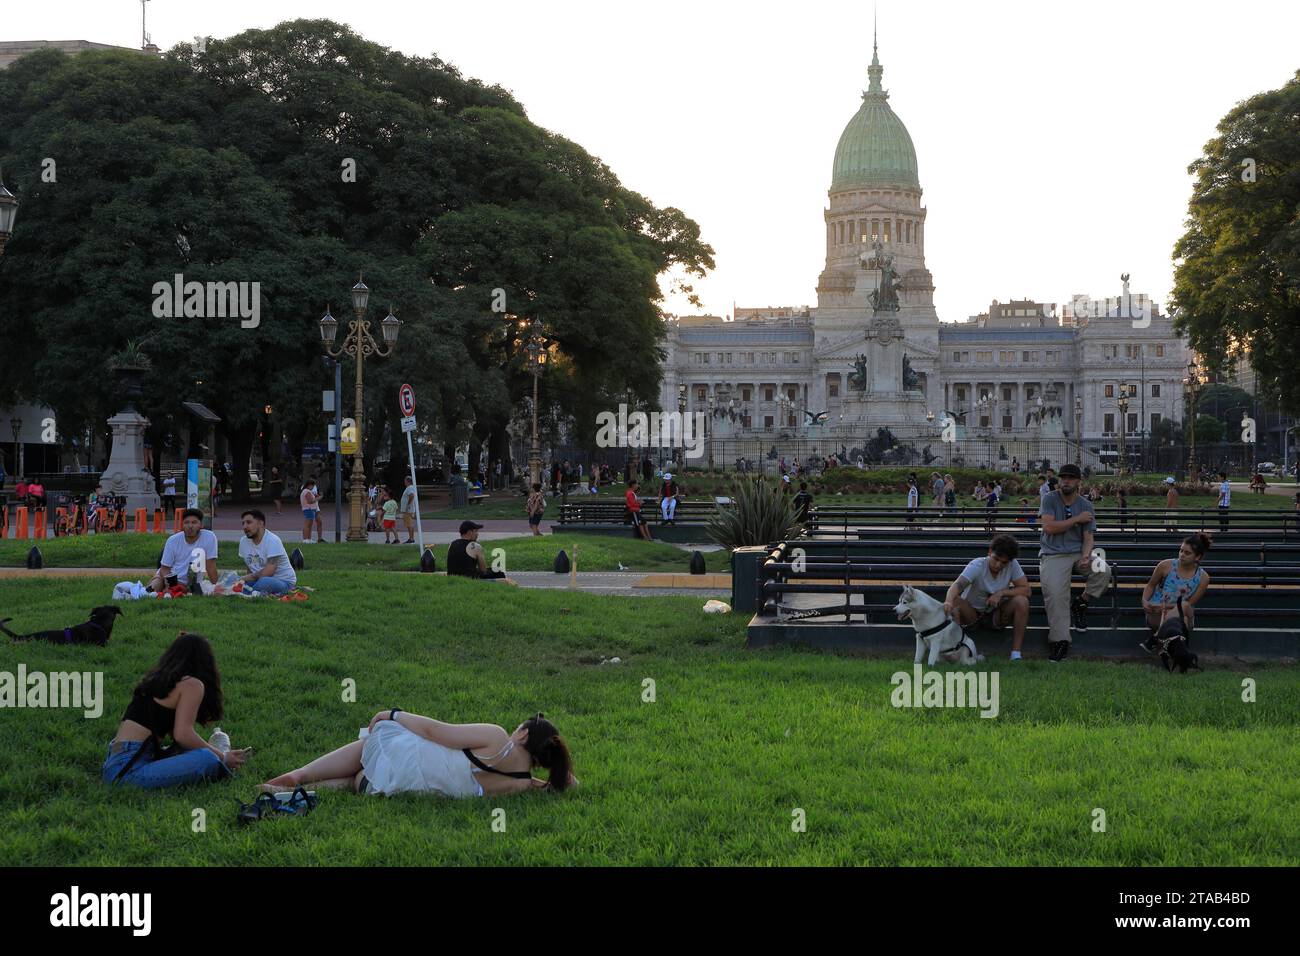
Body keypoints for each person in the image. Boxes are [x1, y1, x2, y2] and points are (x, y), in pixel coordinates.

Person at [261, 710, 575, 798]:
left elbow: (436, 731)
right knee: (352, 779)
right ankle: (293, 792)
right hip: (385, 786)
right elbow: (565, 784)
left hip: (398, 758)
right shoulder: (522, 784)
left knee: (376, 744)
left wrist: (394, 715)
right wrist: (562, 776)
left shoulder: (496, 737)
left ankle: (297, 777)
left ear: (522, 734)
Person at [103, 632, 250, 789]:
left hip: (117, 762)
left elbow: (178, 739)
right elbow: (183, 735)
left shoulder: (159, 679)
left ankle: (219, 758)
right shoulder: (192, 684)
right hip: (128, 772)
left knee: (193, 750)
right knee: (206, 757)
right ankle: (223, 763)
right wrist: (222, 756)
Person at [1038, 463, 1111, 662]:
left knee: (1103, 569)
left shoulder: (1086, 505)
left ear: (1079, 481)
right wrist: (1076, 519)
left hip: (1079, 552)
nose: (1065, 481)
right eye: (1063, 478)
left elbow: (1089, 537)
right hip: (1053, 554)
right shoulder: (1050, 499)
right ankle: (1060, 641)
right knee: (1055, 593)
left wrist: (1087, 556)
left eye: (1070, 478)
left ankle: (1081, 602)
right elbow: (1049, 527)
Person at [942, 534, 1032, 660]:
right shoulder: (977, 565)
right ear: (990, 552)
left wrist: (1001, 593)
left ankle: (1016, 654)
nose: (998, 565)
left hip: (996, 614)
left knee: (1022, 601)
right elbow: (957, 585)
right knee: (955, 601)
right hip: (971, 615)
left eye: (1004, 562)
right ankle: (955, 649)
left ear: (1010, 561)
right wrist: (948, 601)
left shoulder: (1013, 565)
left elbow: (1026, 590)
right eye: (996, 559)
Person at [1140, 533, 1212, 651]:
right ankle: (1178, 654)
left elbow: (1190, 603)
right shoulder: (1165, 565)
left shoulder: (1203, 577)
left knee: (1183, 606)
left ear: (1198, 557)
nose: (1182, 555)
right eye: (1181, 550)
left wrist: (1164, 606)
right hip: (1157, 613)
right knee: (1180, 623)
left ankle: (1156, 638)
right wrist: (1144, 601)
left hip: (1179, 610)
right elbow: (1150, 585)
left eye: (1187, 553)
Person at [148, 508, 218, 592]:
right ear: (182, 525)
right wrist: (171, 586)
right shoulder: (173, 540)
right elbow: (164, 569)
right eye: (186, 522)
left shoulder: (209, 537)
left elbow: (210, 566)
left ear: (201, 525)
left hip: (192, 583)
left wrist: (216, 587)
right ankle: (139, 591)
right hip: (169, 578)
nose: (190, 526)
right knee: (153, 588)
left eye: (194, 522)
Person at [237, 509, 298, 595]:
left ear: (261, 523)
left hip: (283, 581)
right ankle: (249, 592)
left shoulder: (273, 540)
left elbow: (269, 572)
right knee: (236, 582)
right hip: (259, 579)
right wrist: (244, 580)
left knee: (263, 582)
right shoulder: (243, 541)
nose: (244, 527)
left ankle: (248, 593)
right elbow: (250, 567)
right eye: (243, 523)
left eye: (249, 522)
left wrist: (245, 578)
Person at [300, 478, 323, 544]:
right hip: (308, 509)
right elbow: (310, 501)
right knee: (308, 524)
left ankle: (308, 539)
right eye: (312, 486)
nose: (313, 487)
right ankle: (305, 539)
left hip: (310, 509)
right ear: (309, 485)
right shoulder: (306, 491)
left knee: (309, 524)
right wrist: (319, 498)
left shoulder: (307, 491)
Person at [399, 476, 418, 544]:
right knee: (409, 524)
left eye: (405, 481)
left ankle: (411, 538)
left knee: (409, 524)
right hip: (408, 510)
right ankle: (411, 538)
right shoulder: (410, 488)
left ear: (408, 481)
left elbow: (411, 495)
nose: (404, 482)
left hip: (408, 510)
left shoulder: (410, 488)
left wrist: (407, 505)